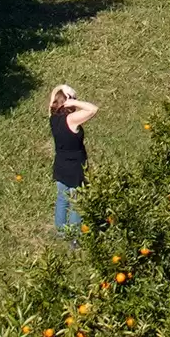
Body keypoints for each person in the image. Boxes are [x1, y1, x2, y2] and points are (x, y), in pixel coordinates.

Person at [48, 84, 98, 236]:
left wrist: (60, 87)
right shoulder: (71, 120)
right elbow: (93, 109)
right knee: (77, 203)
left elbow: (52, 99)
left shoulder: (53, 116)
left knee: (62, 199)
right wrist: (74, 102)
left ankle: (61, 232)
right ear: (68, 102)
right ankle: (74, 236)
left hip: (60, 165)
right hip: (75, 168)